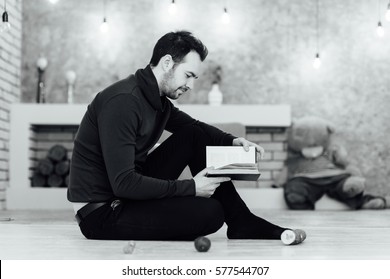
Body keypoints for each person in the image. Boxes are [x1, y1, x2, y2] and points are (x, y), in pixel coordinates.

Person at [67, 30, 306, 244]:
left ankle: (242, 220)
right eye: (188, 75)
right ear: (167, 62)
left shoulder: (156, 99)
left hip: (124, 196)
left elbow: (194, 128)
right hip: (103, 212)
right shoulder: (123, 102)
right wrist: (191, 187)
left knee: (193, 135)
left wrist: (232, 141)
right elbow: (124, 183)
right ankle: (239, 220)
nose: (190, 85)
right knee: (210, 213)